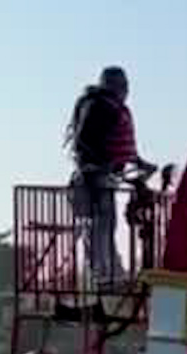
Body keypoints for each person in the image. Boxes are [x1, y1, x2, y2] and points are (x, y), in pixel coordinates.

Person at [65, 67, 154, 289]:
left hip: (105, 178)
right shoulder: (98, 106)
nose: (125, 90)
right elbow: (82, 141)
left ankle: (111, 273)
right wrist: (101, 165)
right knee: (99, 227)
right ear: (111, 86)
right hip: (93, 179)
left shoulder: (111, 107)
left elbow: (121, 145)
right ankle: (102, 275)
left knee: (106, 226)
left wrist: (139, 163)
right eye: (121, 85)